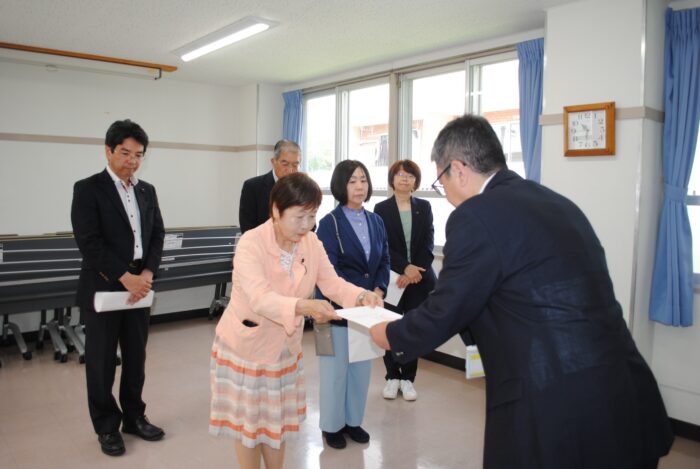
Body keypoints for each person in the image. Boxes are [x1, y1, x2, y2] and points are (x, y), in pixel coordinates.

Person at [369, 114, 674, 469]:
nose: (446, 194)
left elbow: (446, 309)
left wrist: (390, 333)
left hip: (558, 410)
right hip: (627, 396)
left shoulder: (475, 216)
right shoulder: (556, 202)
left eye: (441, 181)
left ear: (459, 170)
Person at [209, 172, 382, 469]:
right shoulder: (251, 243)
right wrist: (305, 307)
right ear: (276, 211)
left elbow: (332, 283)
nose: (306, 225)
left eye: (312, 216)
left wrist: (361, 295)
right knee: (249, 429)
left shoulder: (311, 242)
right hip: (247, 349)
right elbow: (260, 299)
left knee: (276, 426)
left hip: (284, 349)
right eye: (299, 217)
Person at [71, 119, 166, 457]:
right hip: (105, 286)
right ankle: (107, 426)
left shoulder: (146, 190)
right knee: (101, 362)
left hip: (141, 285)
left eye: (138, 155)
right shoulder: (88, 189)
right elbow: (89, 242)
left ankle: (134, 417)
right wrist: (126, 278)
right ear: (108, 151)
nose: (132, 161)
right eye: (125, 153)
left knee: (136, 358)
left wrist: (148, 273)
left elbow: (157, 234)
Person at [316, 160, 390, 449]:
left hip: (367, 310)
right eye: (352, 181)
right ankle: (331, 425)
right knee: (334, 371)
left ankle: (352, 421)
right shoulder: (329, 223)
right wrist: (359, 293)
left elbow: (384, 260)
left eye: (363, 180)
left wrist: (379, 288)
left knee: (360, 369)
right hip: (333, 309)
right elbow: (329, 272)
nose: (360, 186)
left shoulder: (376, 221)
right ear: (340, 185)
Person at [373, 160, 436, 401]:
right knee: (390, 325)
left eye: (410, 175)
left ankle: (408, 379)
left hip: (418, 279)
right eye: (400, 174)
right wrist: (404, 268)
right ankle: (392, 377)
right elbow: (382, 245)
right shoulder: (381, 208)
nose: (404, 178)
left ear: (416, 181)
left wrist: (413, 272)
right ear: (392, 179)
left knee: (412, 328)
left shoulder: (425, 207)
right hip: (392, 277)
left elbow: (428, 243)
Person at [238, 139, 301, 233]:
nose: (290, 170)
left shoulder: (303, 189)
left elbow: (310, 226)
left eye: (295, 165)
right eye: (285, 164)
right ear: (273, 162)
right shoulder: (252, 187)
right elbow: (247, 228)